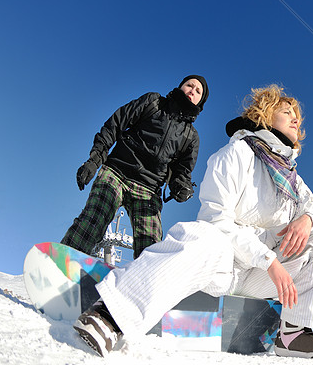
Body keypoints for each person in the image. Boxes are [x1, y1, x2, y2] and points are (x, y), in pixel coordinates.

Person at [73, 84, 313, 359]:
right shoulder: (237, 154)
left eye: (296, 115)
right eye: (287, 111)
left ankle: (294, 335)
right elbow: (216, 218)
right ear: (264, 116)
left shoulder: (293, 181)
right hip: (224, 266)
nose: (296, 119)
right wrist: (267, 259)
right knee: (204, 236)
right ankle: (111, 316)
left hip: (261, 277)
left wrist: (308, 220)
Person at [61, 75, 208, 259]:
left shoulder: (191, 137)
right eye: (189, 85)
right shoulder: (153, 102)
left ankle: (143, 284)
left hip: (148, 189)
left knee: (151, 246)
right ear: (181, 86)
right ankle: (63, 263)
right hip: (117, 173)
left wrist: (181, 187)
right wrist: (94, 160)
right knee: (93, 220)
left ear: (200, 102)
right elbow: (115, 124)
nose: (192, 91)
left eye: (198, 91)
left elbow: (182, 172)